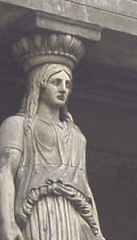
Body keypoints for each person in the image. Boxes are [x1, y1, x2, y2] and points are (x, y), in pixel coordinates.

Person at [0, 63, 106, 240]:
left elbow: (84, 185)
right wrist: (7, 222)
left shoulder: (77, 136)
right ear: (39, 84)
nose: (63, 89)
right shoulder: (17, 125)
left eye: (67, 84)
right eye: (56, 82)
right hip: (39, 208)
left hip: (74, 213)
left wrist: (98, 232)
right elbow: (5, 172)